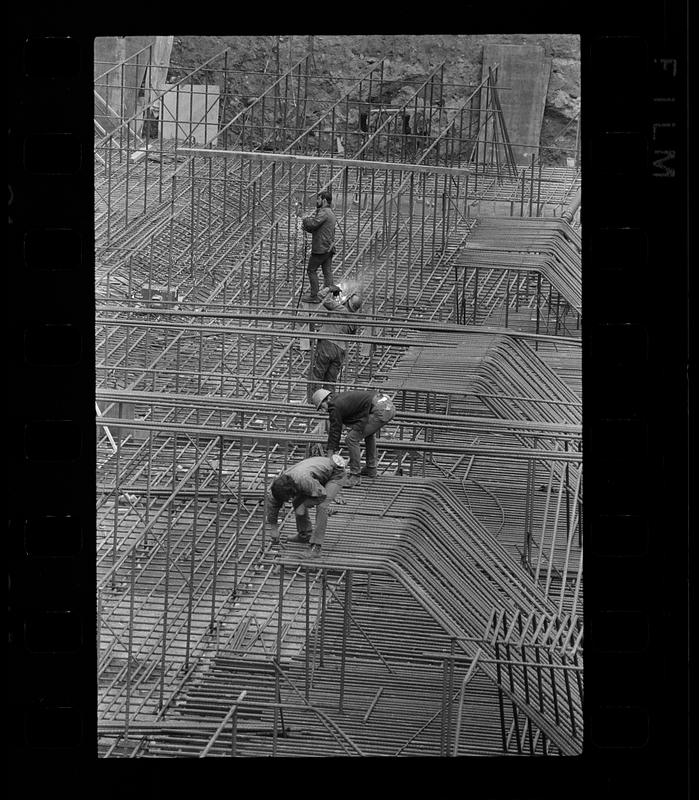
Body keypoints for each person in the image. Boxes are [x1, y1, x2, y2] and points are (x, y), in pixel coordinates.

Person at [265, 454, 347, 557]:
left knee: (322, 506)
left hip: (336, 474)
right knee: (297, 502)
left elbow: (322, 495)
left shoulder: (304, 481)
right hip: (317, 472)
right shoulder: (278, 486)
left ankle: (316, 547)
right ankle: (305, 534)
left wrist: (304, 504)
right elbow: (273, 503)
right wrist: (274, 529)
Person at [311, 388, 396, 486]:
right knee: (368, 434)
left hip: (381, 410)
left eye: (322, 406)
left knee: (351, 439)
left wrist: (330, 454)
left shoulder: (334, 406)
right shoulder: (341, 399)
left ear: (328, 398)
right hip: (386, 405)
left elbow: (335, 431)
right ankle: (371, 468)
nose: (323, 410)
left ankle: (355, 476)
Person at [311, 284, 363, 392]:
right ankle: (329, 406)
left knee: (317, 376)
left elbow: (320, 295)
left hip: (327, 345)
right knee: (330, 382)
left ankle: (313, 403)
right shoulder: (355, 320)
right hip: (340, 351)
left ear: (348, 300)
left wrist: (330, 289)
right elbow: (352, 334)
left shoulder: (338, 308)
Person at [300, 190, 337, 303]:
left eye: (318, 199)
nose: (317, 201)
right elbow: (317, 229)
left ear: (324, 200)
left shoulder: (324, 212)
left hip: (321, 248)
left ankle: (315, 296)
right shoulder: (330, 212)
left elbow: (313, 224)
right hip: (328, 247)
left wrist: (304, 217)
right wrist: (306, 227)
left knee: (311, 270)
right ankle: (329, 295)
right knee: (327, 272)